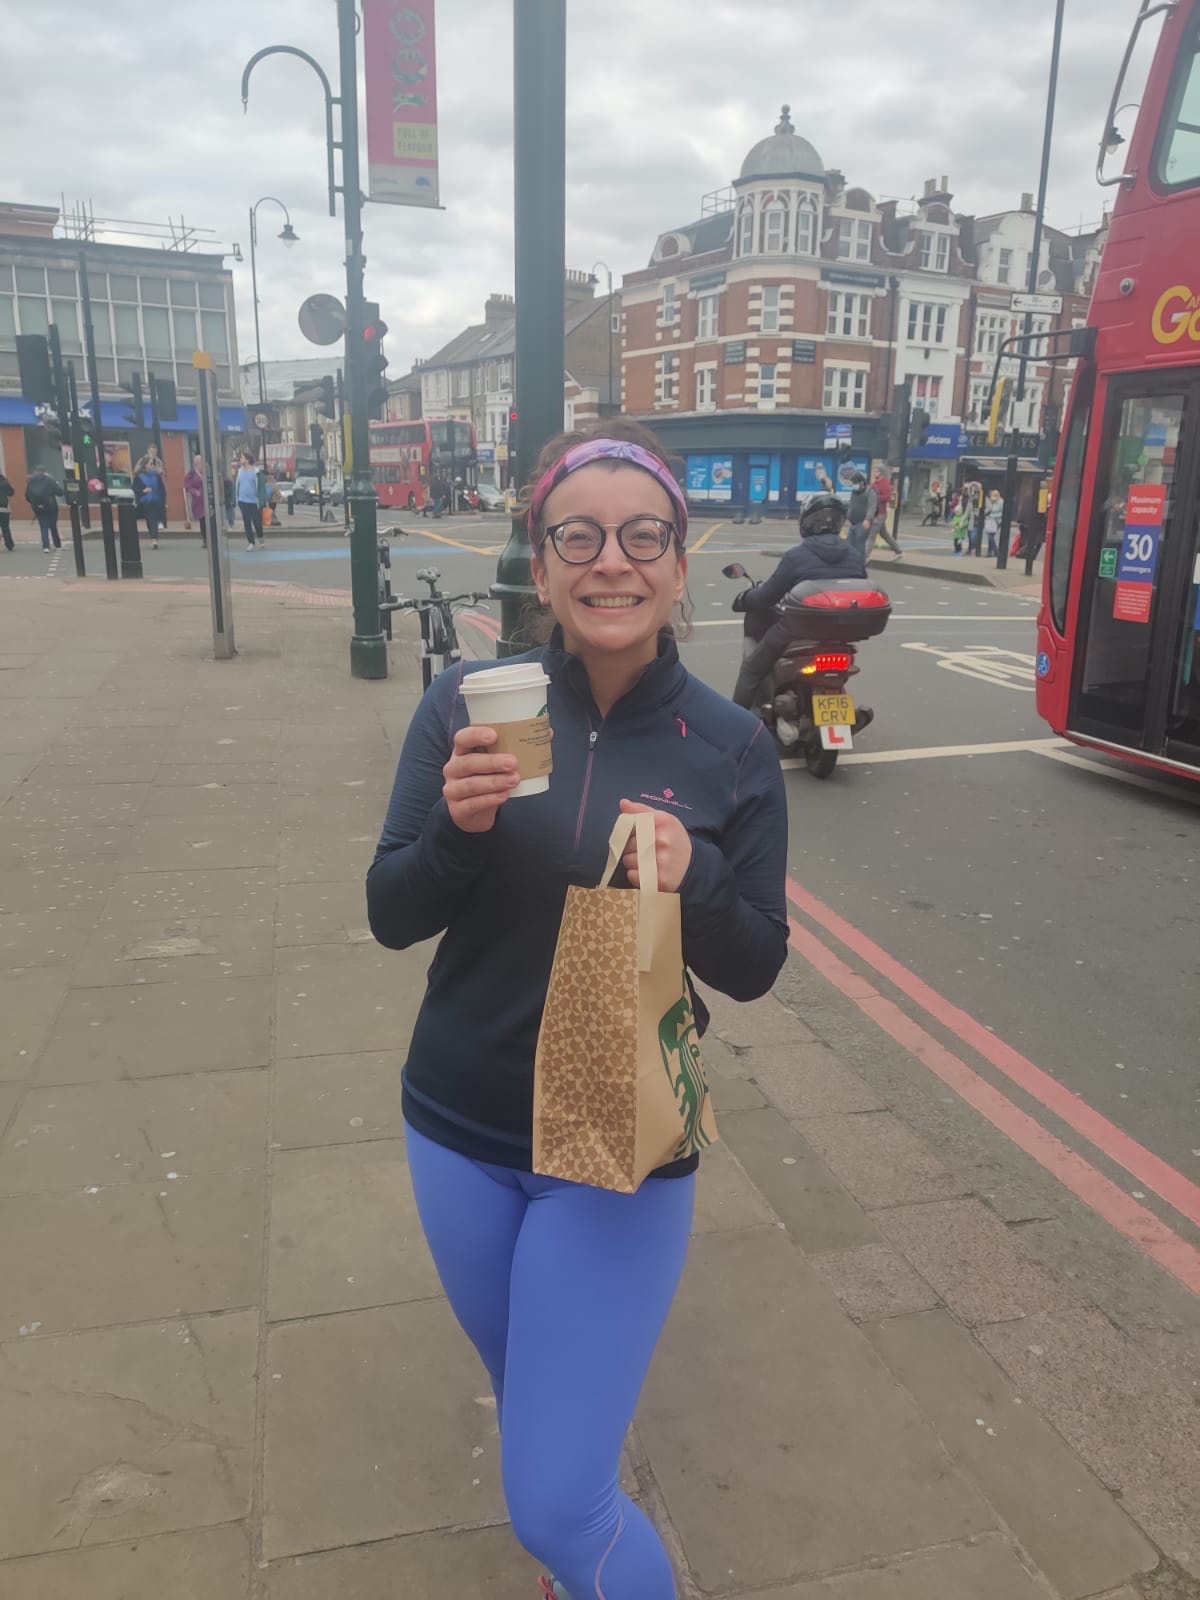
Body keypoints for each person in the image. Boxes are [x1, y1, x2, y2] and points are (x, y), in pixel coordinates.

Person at [367, 418, 789, 1600]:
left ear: (680, 555)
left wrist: (694, 876)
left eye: (642, 533)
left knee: (554, 1497)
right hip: (456, 1121)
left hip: (617, 1137)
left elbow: (755, 962)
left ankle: (581, 1556)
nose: (614, 560)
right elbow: (391, 912)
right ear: (541, 562)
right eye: (580, 536)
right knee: (546, 1431)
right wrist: (457, 830)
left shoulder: (733, 745)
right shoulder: (467, 702)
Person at [731, 492, 868, 711]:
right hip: (841, 636)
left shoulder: (797, 556)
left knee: (752, 670)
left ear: (807, 522)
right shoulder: (854, 556)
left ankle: (735, 725)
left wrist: (744, 598)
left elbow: (767, 596)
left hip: (797, 632)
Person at [132, 451, 167, 549]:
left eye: (153, 464)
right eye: (151, 464)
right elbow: (135, 488)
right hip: (143, 503)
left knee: (152, 520)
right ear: (145, 465)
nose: (153, 465)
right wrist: (143, 490)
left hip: (154, 502)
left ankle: (154, 540)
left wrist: (162, 500)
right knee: (144, 519)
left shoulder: (156, 476)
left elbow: (161, 489)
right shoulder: (139, 477)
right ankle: (131, 539)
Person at [866, 467, 902, 558]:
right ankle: (898, 551)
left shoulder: (885, 484)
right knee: (884, 534)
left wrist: (876, 498)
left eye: (876, 471)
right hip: (874, 513)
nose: (874, 473)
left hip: (881, 513)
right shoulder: (874, 484)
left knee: (871, 535)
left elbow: (888, 497)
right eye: (874, 471)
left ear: (881, 473)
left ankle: (865, 556)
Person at [25, 466, 62, 552]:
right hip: (51, 506)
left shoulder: (31, 482)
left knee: (43, 526)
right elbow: (60, 492)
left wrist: (35, 504)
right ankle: (57, 544)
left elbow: (27, 496)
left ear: (35, 471)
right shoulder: (50, 481)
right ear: (44, 471)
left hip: (37, 507)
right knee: (53, 525)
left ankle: (46, 546)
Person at [845, 472, 878, 558]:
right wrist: (848, 518)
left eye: (855, 483)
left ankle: (860, 563)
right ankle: (851, 563)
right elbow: (851, 505)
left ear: (861, 482)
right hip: (853, 522)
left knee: (859, 542)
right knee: (849, 543)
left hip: (863, 522)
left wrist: (868, 519)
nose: (853, 485)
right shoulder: (854, 492)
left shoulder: (870, 492)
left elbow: (872, 507)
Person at [236, 452, 261, 549]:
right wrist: (237, 498)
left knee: (257, 522)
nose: (240, 459)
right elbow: (237, 485)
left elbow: (259, 486)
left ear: (247, 459)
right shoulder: (240, 471)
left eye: (241, 457)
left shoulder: (255, 471)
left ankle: (260, 536)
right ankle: (251, 542)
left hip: (253, 501)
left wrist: (260, 499)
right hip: (243, 500)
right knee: (247, 522)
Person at [183, 454, 209, 548]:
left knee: (210, 519)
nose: (204, 464)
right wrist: (194, 491)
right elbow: (187, 486)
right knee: (203, 520)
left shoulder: (208, 471)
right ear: (197, 464)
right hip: (198, 501)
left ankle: (212, 538)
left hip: (208, 499)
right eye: (202, 463)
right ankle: (205, 539)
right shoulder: (191, 474)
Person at [983, 488, 1004, 558]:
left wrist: (993, 515)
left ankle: (995, 550)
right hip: (990, 520)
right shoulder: (991, 502)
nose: (993, 496)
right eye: (992, 495)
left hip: (997, 520)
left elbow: (1002, 512)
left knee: (990, 535)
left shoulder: (1001, 502)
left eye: (995, 495)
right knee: (989, 535)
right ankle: (990, 552)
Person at [0, 468, 14, 551]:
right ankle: (9, 544)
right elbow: (11, 492)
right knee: (5, 527)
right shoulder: (4, 481)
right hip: (3, 508)